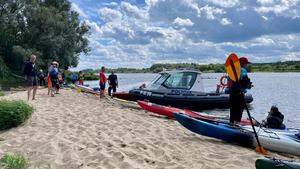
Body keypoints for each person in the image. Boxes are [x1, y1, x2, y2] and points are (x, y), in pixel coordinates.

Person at [229, 56, 253, 124]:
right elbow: (245, 81)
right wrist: (248, 85)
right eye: (246, 63)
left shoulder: (232, 71)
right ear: (242, 63)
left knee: (233, 110)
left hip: (232, 93)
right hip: (239, 94)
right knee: (239, 111)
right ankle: (236, 125)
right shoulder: (243, 70)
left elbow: (235, 81)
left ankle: (231, 124)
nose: (246, 65)